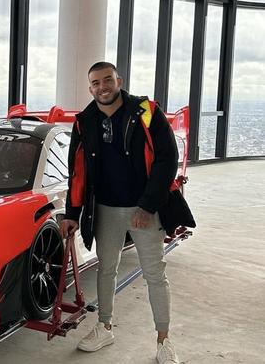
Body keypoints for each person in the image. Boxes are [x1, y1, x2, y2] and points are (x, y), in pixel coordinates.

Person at [59, 62, 180, 364]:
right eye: (96, 83)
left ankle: (164, 341)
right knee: (106, 269)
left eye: (108, 80)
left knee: (155, 274)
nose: (103, 87)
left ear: (119, 80)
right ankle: (105, 327)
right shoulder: (84, 121)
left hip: (144, 208)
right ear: (91, 88)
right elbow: (77, 170)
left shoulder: (146, 111)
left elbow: (168, 159)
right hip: (105, 209)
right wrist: (72, 213)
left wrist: (148, 205)